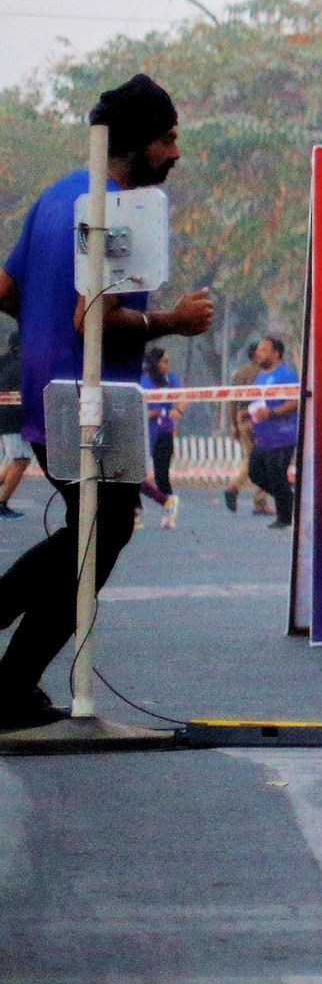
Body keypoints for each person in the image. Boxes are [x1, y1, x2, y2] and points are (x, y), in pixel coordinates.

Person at [0, 75, 215, 731]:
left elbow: (6, 287)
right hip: (89, 403)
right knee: (103, 531)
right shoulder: (125, 209)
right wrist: (174, 322)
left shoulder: (57, 195)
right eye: (168, 139)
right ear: (139, 142)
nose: (176, 153)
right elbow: (95, 316)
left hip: (46, 397)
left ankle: (12, 686)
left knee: (94, 530)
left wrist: (40, 334)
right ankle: (10, 683)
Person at [242, 336, 300, 531]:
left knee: (277, 476)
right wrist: (248, 413)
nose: (258, 354)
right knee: (255, 472)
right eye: (258, 350)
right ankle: (290, 500)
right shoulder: (261, 377)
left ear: (276, 354)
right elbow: (259, 403)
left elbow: (295, 402)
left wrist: (272, 413)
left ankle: (285, 518)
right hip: (263, 438)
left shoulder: (286, 376)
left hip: (282, 436)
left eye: (263, 350)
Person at [138, 345, 182, 529]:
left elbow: (184, 396)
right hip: (144, 434)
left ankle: (169, 505)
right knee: (135, 474)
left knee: (161, 475)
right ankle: (135, 509)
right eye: (164, 361)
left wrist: (178, 410)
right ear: (154, 363)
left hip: (164, 432)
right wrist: (148, 414)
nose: (167, 365)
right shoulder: (142, 380)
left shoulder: (170, 379)